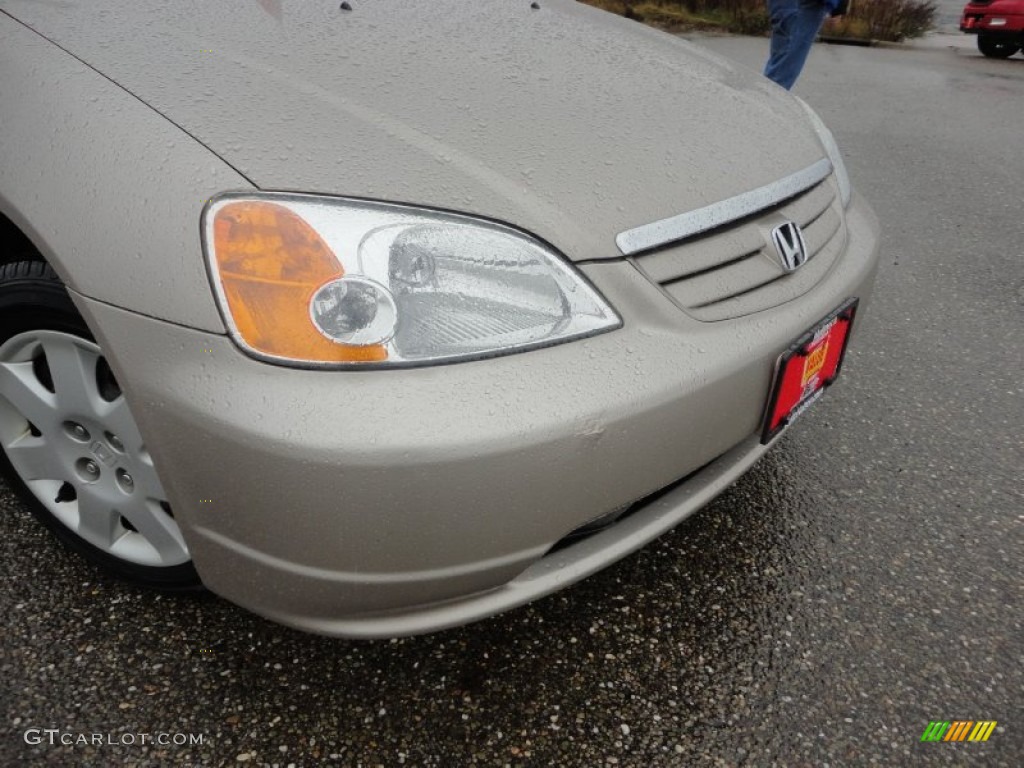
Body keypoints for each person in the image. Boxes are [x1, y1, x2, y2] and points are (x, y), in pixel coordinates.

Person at [763, 0, 850, 90]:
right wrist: (839, 7)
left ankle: (765, 94)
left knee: (778, 66)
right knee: (781, 74)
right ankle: (768, 96)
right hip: (806, 6)